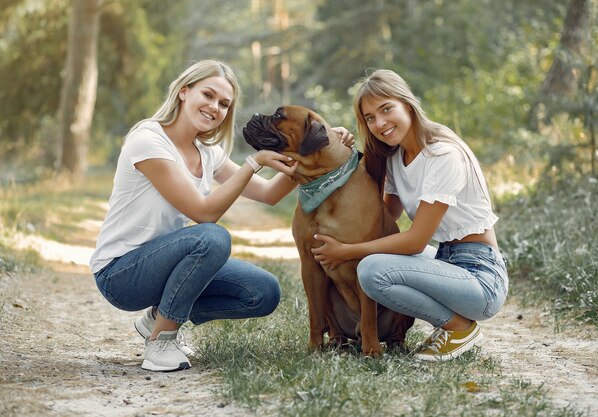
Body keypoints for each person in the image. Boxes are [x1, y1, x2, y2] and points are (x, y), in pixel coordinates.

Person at [90, 59, 354, 372]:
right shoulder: (148, 140)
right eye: (208, 95)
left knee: (262, 292)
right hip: (121, 273)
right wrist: (253, 163)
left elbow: (268, 194)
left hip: (164, 264)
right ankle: (162, 341)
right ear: (184, 92)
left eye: (224, 103)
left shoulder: (207, 152)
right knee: (212, 238)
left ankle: (157, 318)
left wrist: (318, 151)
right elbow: (204, 213)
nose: (215, 107)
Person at [311, 69, 508, 361]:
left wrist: (347, 251)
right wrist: (338, 145)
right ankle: (454, 326)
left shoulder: (443, 155)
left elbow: (415, 241)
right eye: (369, 118)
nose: (379, 123)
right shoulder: (396, 156)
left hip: (480, 277)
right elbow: (381, 221)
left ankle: (458, 327)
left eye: (386, 109)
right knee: (372, 260)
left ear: (408, 103)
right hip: (445, 259)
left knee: (372, 270)